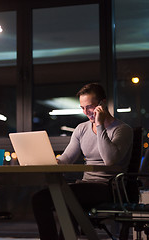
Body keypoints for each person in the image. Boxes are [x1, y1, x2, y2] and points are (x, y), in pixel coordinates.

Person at [32, 82, 133, 240]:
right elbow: (66, 159)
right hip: (85, 186)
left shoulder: (122, 129)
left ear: (102, 104)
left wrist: (99, 125)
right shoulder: (81, 129)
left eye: (90, 107)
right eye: (82, 108)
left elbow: (110, 159)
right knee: (39, 199)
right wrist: (46, 160)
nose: (86, 112)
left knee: (67, 197)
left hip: (108, 189)